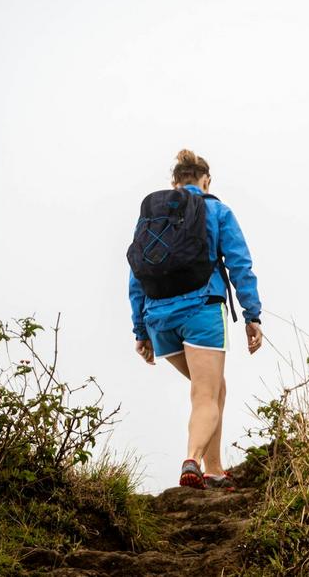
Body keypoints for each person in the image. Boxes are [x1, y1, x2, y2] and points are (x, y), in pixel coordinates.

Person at [128, 149, 263, 490]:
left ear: (174, 182)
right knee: (205, 394)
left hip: (159, 320)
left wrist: (141, 331)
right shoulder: (217, 210)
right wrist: (252, 315)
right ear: (206, 181)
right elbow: (239, 264)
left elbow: (137, 274)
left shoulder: (155, 218)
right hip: (202, 311)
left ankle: (214, 470)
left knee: (216, 388)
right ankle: (192, 460)